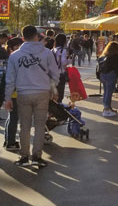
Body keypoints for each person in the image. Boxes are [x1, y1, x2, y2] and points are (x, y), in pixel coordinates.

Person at [3, 25, 60, 167]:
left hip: (23, 93)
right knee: (40, 126)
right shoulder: (46, 53)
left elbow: (10, 79)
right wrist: (53, 88)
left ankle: (24, 156)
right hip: (42, 92)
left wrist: (8, 98)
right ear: (37, 36)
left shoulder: (15, 56)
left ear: (23, 38)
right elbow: (55, 73)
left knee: (25, 126)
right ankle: (36, 156)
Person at [2, 37, 23, 151]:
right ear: (13, 47)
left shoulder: (9, 58)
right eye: (19, 45)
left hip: (11, 92)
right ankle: (10, 142)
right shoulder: (13, 58)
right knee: (14, 117)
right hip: (14, 92)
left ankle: (8, 140)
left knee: (11, 117)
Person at [98, 41, 118, 117]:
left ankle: (107, 107)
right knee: (109, 92)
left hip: (103, 75)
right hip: (111, 75)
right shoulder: (116, 56)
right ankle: (107, 109)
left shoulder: (104, 56)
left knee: (106, 92)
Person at [52, 34, 71, 103]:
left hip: (52, 75)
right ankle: (58, 110)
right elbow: (63, 62)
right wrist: (69, 60)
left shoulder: (52, 50)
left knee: (53, 94)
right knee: (60, 95)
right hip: (60, 75)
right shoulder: (63, 51)